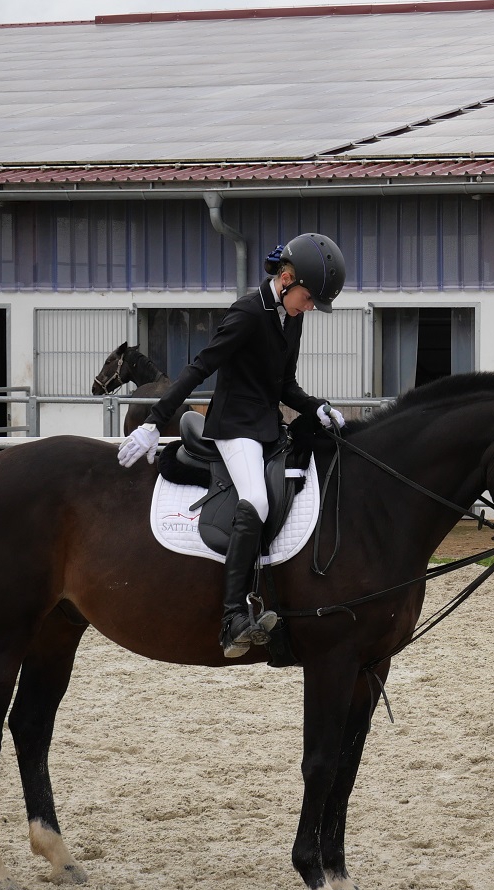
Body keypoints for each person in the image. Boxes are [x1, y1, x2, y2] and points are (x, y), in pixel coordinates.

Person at [117, 233, 349, 657]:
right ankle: (232, 617)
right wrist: (153, 422)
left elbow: (285, 385)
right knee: (256, 501)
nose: (311, 307)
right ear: (287, 278)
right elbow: (200, 367)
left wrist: (316, 408)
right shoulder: (246, 312)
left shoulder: (291, 318)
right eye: (310, 298)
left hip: (267, 426)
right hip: (234, 427)